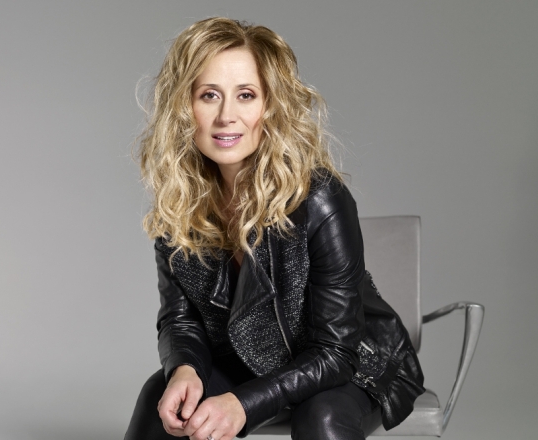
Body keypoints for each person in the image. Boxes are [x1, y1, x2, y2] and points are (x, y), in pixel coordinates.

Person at [125, 17, 425, 440]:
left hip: (353, 363)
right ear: (184, 107)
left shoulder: (319, 197)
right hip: (248, 362)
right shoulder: (180, 202)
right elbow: (180, 320)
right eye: (209, 95)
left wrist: (243, 404)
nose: (226, 116)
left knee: (321, 416)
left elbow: (336, 350)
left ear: (270, 106)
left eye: (246, 95)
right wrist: (184, 368)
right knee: (161, 397)